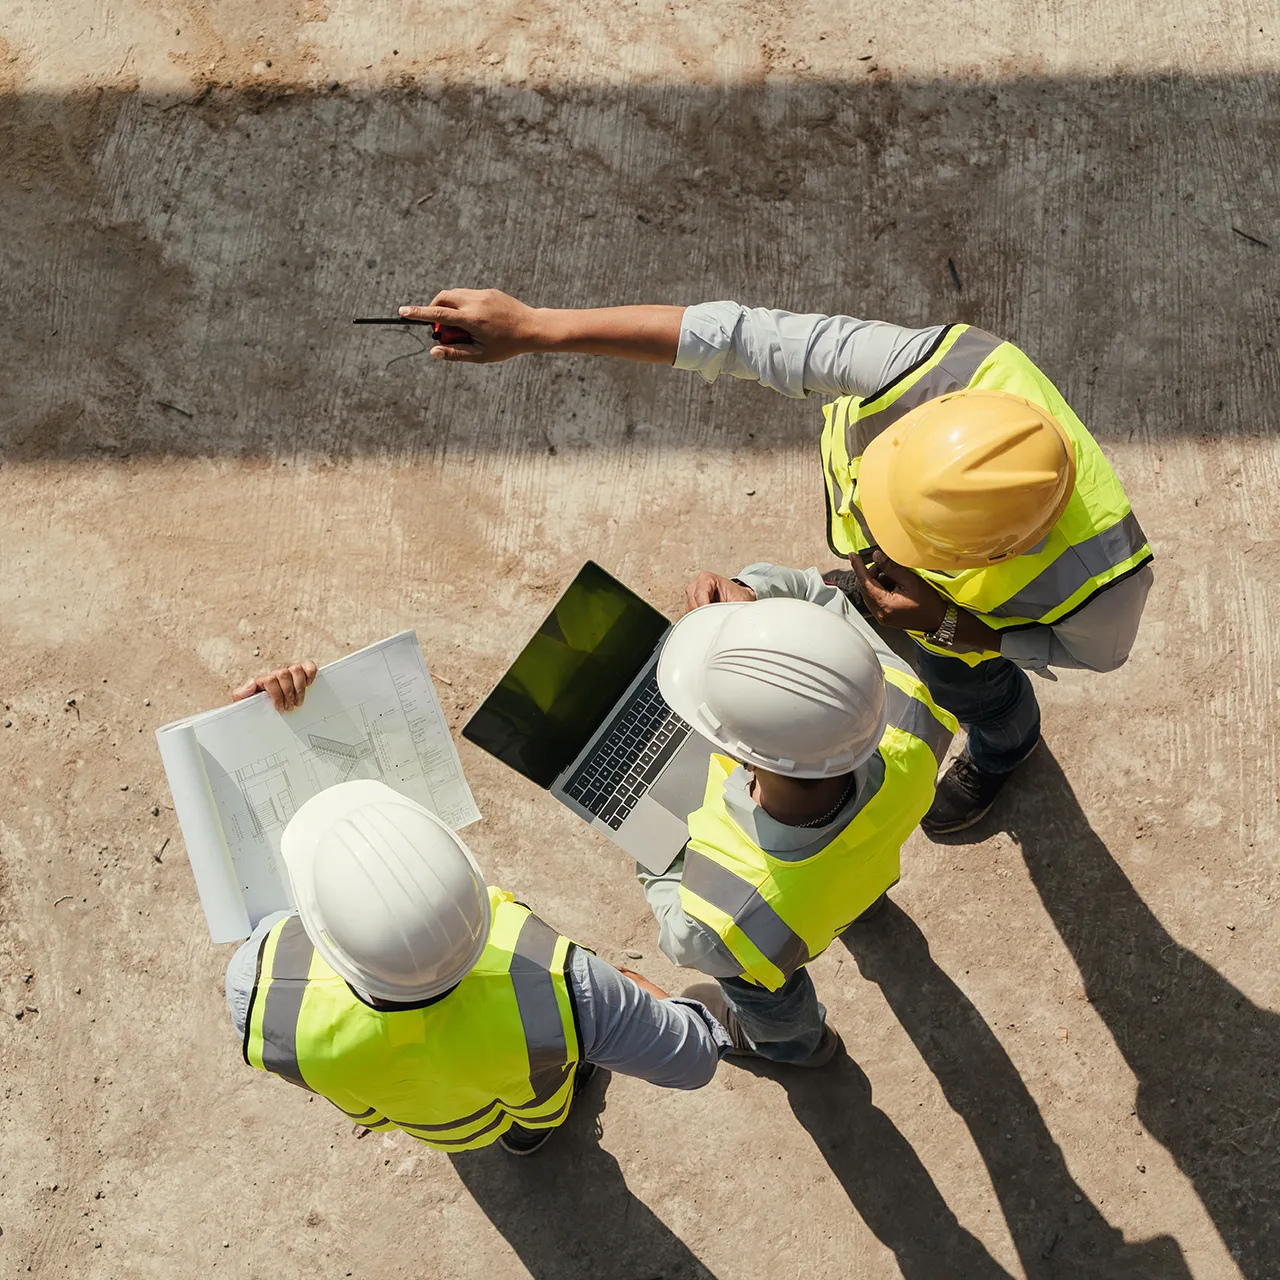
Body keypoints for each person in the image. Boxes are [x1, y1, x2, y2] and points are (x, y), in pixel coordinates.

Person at [395, 291, 1154, 835]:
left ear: (994, 551)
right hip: (932, 606)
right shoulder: (928, 368)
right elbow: (735, 336)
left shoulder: (1104, 586)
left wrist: (961, 629)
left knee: (977, 693)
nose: (870, 549)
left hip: (959, 633)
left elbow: (1094, 657)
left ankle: (1006, 744)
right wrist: (537, 327)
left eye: (900, 544)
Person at [224, 663, 729, 1157]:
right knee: (538, 1105)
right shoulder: (565, 985)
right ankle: (530, 1134)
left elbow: (268, 908)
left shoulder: (258, 991)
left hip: (428, 1122)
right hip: (531, 1099)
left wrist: (255, 734)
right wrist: (617, 989)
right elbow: (693, 1056)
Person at [641, 571, 956, 1065]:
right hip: (852, 875)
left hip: (779, 928)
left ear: (734, 755)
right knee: (848, 882)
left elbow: (683, 938)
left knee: (762, 991)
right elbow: (819, 600)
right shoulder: (908, 712)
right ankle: (862, 911)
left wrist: (650, 846)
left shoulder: (721, 920)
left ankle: (795, 1045)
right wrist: (754, 598)